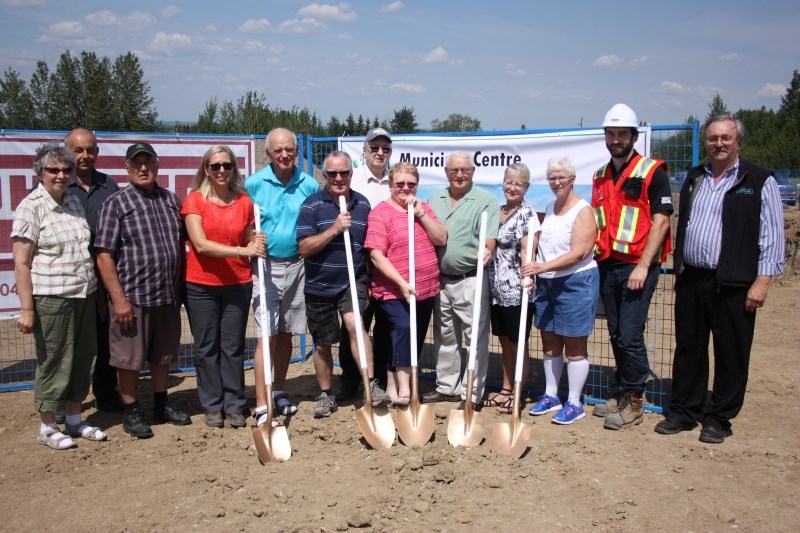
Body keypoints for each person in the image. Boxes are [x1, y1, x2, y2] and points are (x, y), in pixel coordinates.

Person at [655, 114, 785, 443]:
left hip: (734, 282)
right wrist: (680, 267)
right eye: (713, 138)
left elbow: (772, 236)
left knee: (731, 351)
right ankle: (685, 411)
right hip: (693, 277)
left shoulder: (758, 180)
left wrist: (763, 281)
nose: (719, 144)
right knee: (689, 348)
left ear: (738, 141)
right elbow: (685, 225)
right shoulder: (695, 177)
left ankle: (719, 418)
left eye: (726, 138)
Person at [12, 143, 106, 449]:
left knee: (82, 359)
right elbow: (22, 262)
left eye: (66, 170)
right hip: (52, 299)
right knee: (55, 361)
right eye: (53, 170)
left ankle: (75, 419)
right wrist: (27, 308)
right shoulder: (31, 206)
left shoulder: (74, 203)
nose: (61, 175)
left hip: (83, 295)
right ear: (39, 172)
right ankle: (48, 426)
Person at [95, 142, 191, 439]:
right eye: (137, 163)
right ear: (127, 168)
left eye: (148, 162)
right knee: (129, 358)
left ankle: (162, 403)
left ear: (157, 166)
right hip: (132, 296)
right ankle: (132, 409)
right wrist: (118, 298)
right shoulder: (116, 204)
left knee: (162, 354)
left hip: (166, 294)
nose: (143, 168)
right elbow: (104, 255)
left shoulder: (171, 200)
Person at [592, 103, 673, 430]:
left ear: (633, 136)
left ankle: (635, 401)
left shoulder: (653, 172)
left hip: (638, 267)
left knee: (629, 335)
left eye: (622, 133)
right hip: (608, 265)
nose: (615, 139)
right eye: (610, 133)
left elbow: (662, 221)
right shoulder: (600, 175)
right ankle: (622, 390)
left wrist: (642, 266)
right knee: (615, 333)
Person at [296, 151, 390, 418]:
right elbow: (304, 248)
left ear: (351, 173)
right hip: (319, 285)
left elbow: (367, 247)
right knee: (324, 343)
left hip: (354, 280)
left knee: (355, 325)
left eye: (344, 173)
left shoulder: (362, 204)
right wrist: (335, 229)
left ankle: (370, 384)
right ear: (324, 176)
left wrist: (370, 279)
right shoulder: (311, 205)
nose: (339, 178)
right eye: (332, 174)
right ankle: (326, 393)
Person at [182, 146, 266, 429]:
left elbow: (249, 239)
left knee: (232, 347)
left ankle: (234, 405)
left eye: (226, 166)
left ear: (234, 169)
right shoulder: (195, 201)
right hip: (201, 285)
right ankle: (212, 405)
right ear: (206, 169)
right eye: (215, 166)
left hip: (237, 285)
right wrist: (243, 251)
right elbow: (201, 245)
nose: (221, 171)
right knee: (207, 347)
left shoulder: (244, 202)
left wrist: (255, 241)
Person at [245, 128, 320, 427]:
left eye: (290, 149)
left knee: (287, 331)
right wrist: (249, 238)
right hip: (265, 265)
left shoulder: (310, 184)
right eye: (278, 150)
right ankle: (262, 403)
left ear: (297, 150)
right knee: (267, 334)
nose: (285, 155)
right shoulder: (254, 184)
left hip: (299, 265)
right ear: (268, 154)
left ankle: (279, 390)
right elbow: (242, 223)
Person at [364, 162, 447, 405]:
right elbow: (376, 255)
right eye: (400, 184)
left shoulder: (425, 209)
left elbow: (441, 238)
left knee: (413, 335)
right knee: (403, 328)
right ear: (390, 186)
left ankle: (391, 383)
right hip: (392, 289)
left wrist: (421, 215)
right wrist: (400, 282)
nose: (405, 188)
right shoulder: (380, 213)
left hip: (424, 287)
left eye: (411, 184)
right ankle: (405, 388)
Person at [524, 157, 599, 424]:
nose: (557, 182)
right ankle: (551, 395)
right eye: (552, 178)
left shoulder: (583, 210)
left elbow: (579, 252)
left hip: (575, 282)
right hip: (548, 282)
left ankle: (575, 402)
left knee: (575, 344)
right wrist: (537, 270)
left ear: (572, 180)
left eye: (561, 178)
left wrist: (541, 267)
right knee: (550, 342)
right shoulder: (550, 206)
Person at [424, 151, 500, 410]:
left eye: (464, 170)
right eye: (454, 170)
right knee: (445, 336)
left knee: (474, 337)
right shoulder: (435, 198)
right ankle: (447, 387)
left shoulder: (485, 200)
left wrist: (487, 249)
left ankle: (473, 392)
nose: (459, 175)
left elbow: (490, 238)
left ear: (473, 171)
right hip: (440, 281)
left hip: (471, 279)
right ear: (446, 172)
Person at [64, 128, 123, 413]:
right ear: (68, 152)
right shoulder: (60, 185)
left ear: (97, 152)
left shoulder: (108, 184)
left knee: (105, 341)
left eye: (90, 150)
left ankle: (106, 393)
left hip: (104, 272)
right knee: (71, 344)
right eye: (78, 150)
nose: (85, 155)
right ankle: (67, 400)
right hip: (70, 277)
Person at [337, 127, 393, 400]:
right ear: (364, 150)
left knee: (385, 328)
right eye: (375, 148)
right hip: (358, 267)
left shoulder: (396, 181)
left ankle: (377, 380)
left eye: (385, 148)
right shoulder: (354, 181)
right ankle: (349, 379)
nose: (380, 153)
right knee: (355, 323)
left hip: (389, 269)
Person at [483, 163, 540, 414]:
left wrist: (527, 277)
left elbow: (529, 250)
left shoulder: (527, 215)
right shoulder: (498, 211)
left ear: (526, 187)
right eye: (509, 182)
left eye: (518, 183)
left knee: (519, 343)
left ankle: (517, 392)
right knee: (505, 342)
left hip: (517, 292)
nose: (512, 187)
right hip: (497, 292)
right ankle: (505, 390)